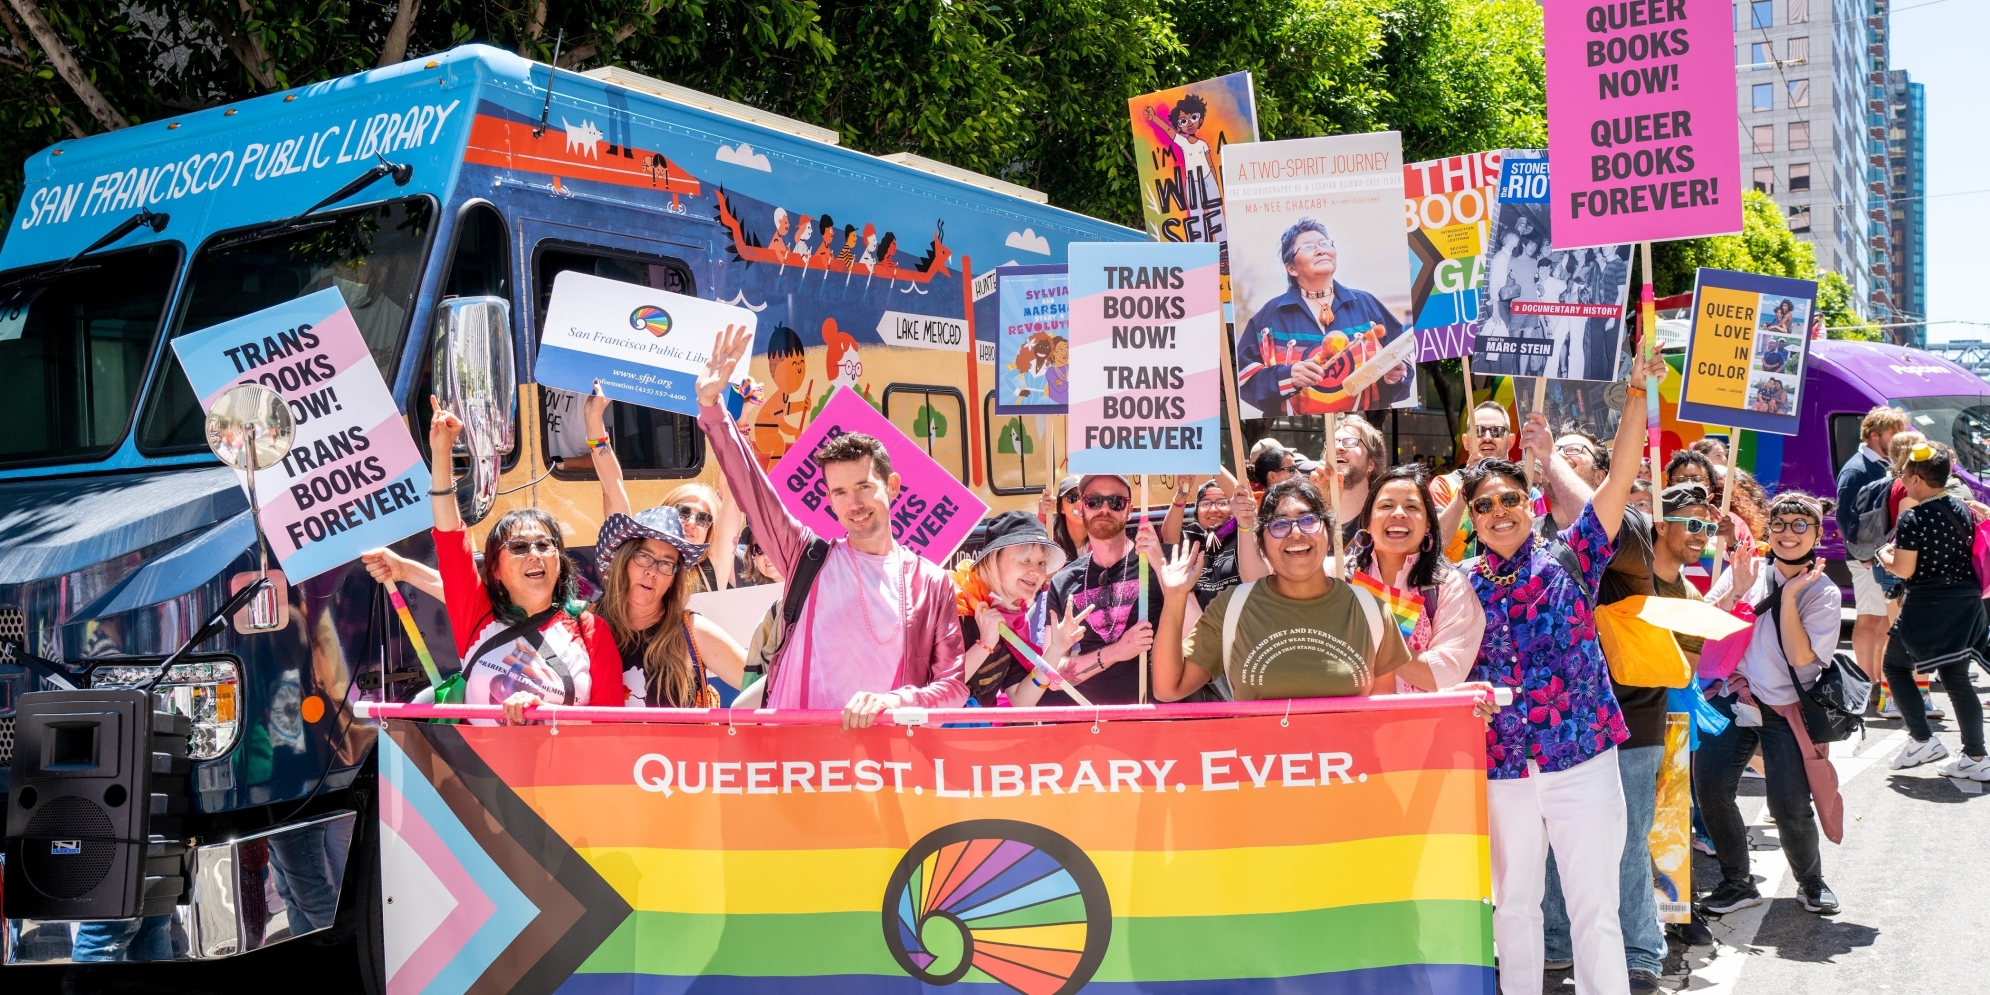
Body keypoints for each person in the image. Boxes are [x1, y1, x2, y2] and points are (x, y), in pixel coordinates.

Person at [1464, 351, 1666, 995]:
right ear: (1471, 517)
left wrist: (1636, 392)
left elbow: (1621, 478)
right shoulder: (1454, 587)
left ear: (1532, 503)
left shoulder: (1573, 555)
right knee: (1514, 910)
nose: (1500, 511)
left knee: (1594, 911)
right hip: (1502, 768)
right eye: (1486, 504)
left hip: (1581, 759)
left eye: (1511, 499)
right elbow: (1415, 657)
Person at [695, 326, 967, 727]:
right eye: (839, 492)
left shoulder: (930, 582)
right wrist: (713, 409)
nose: (853, 503)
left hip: (877, 767)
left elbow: (954, 687)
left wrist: (892, 702)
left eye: (863, 487)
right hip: (793, 759)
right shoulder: (808, 556)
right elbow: (753, 489)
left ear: (891, 486)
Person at [1521, 416, 1674, 991]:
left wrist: (1547, 452)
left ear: (1604, 472)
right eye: (1553, 454)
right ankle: (1558, 941)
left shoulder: (1627, 525)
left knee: (1625, 840)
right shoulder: (1531, 536)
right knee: (1555, 842)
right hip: (1555, 721)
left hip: (1627, 714)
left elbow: (1597, 520)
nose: (1560, 458)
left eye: (1575, 453)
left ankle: (1639, 951)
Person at [425, 402, 623, 724]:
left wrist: (545, 714)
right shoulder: (477, 615)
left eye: (546, 545)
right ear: (495, 570)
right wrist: (442, 451)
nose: (535, 554)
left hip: (565, 773)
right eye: (518, 547)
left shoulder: (590, 630)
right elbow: (449, 539)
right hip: (479, 772)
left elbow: (610, 723)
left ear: (559, 561)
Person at [1698, 491, 1845, 915]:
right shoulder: (1748, 568)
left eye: (1801, 525)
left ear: (1817, 533)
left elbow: (1802, 660)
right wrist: (1737, 591)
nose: (1788, 533)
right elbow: (1709, 625)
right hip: (1734, 695)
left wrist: (1794, 596)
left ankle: (1811, 882)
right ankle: (1737, 882)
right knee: (1710, 789)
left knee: (1789, 806)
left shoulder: (1825, 593)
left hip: (1785, 710)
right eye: (1779, 524)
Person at [1150, 477, 1428, 700]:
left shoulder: (1372, 611)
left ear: (1329, 535)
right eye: (1280, 524)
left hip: (1349, 771)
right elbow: (1168, 688)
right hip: (1261, 770)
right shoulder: (1232, 608)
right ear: (1262, 544)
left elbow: (1381, 719)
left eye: (1308, 521)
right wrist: (1176, 597)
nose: (1296, 533)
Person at [1876, 444, 1990, 778]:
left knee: (1895, 667)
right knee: (1956, 677)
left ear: (1916, 477)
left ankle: (1922, 738)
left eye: (1903, 475)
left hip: (1928, 604)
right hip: (1966, 601)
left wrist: (1884, 553)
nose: (1902, 481)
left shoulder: (1913, 516)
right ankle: (1975, 756)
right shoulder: (1964, 508)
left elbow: (1905, 569)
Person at [1236, 218, 1413, 414]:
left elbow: (1404, 354)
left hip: (1361, 422)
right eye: (1308, 246)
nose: (1321, 250)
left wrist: (1395, 374)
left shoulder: (1366, 304)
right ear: (1291, 267)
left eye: (1325, 243)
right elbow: (1242, 377)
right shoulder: (1269, 317)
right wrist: (1288, 376)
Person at [582, 385, 741, 593]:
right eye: (683, 512)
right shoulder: (632, 559)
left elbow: (737, 493)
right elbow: (613, 488)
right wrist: (593, 419)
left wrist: (738, 420)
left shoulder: (713, 570)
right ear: (664, 513)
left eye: (703, 519)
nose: (691, 522)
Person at [1341, 464, 1486, 693]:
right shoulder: (1338, 578)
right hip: (1348, 724)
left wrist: (1372, 639)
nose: (1399, 513)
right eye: (1386, 505)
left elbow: (1443, 676)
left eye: (1411, 506)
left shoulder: (1449, 587)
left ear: (1428, 522)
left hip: (1417, 726)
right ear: (1367, 519)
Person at [592, 506, 749, 706]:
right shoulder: (586, 625)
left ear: (673, 579)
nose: (652, 571)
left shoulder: (692, 631)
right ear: (623, 561)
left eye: (666, 564)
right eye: (644, 557)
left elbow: (766, 684)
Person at [1041, 473, 1170, 705]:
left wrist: (1160, 563)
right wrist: (1117, 651)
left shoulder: (1158, 561)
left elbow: (1193, 634)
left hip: (1156, 715)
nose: (1105, 509)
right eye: (1094, 501)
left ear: (1129, 510)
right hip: (1096, 722)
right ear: (1081, 509)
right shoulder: (1063, 582)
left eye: (1116, 502)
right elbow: (1051, 675)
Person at [952, 511, 1088, 706]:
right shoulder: (954, 607)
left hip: (978, 733)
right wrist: (985, 644)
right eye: (1025, 560)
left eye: (1042, 563)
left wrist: (1057, 648)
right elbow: (939, 688)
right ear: (994, 559)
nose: (1036, 571)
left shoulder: (1012, 617)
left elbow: (1021, 699)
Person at [1837, 406, 1908, 704]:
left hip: (1879, 556)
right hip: (1867, 557)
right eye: (1894, 432)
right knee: (1868, 620)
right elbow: (1844, 516)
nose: (1899, 438)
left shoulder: (1881, 463)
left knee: (1882, 622)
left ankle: (1876, 683)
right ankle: (1866, 685)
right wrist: (1863, 555)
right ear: (1874, 434)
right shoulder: (1856, 469)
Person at [1432, 401, 1515, 560]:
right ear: (1466, 441)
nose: (1487, 437)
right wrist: (1466, 487)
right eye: (1478, 431)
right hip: (1459, 581)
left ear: (1510, 441)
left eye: (1497, 431)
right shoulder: (1444, 485)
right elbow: (1434, 545)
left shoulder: (1526, 489)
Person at [1163, 475, 1246, 609]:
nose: (1213, 509)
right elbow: (1168, 536)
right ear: (1196, 512)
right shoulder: (1190, 537)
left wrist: (1211, 459)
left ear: (1233, 508)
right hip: (1198, 624)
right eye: (1205, 504)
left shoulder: (1244, 534)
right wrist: (1182, 491)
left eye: (1222, 503)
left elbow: (1242, 498)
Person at [1039, 474, 1086, 564]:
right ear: (1061, 507)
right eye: (1072, 498)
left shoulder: (1103, 539)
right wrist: (1042, 515)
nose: (1080, 504)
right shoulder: (1050, 537)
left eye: (1085, 497)